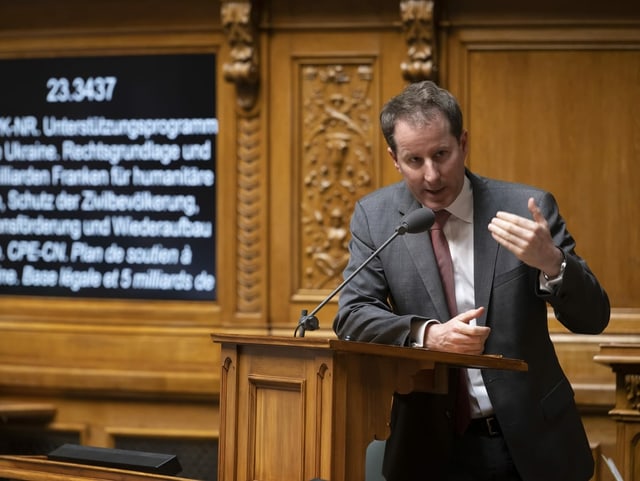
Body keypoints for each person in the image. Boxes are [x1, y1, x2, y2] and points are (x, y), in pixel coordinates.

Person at [332, 80, 610, 481]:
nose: (431, 175)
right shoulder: (376, 219)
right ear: (394, 158)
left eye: (442, 155)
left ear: (463, 143)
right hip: (428, 448)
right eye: (414, 160)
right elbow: (354, 315)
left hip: (530, 444)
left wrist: (552, 262)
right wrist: (427, 335)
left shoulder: (525, 209)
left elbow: (594, 317)